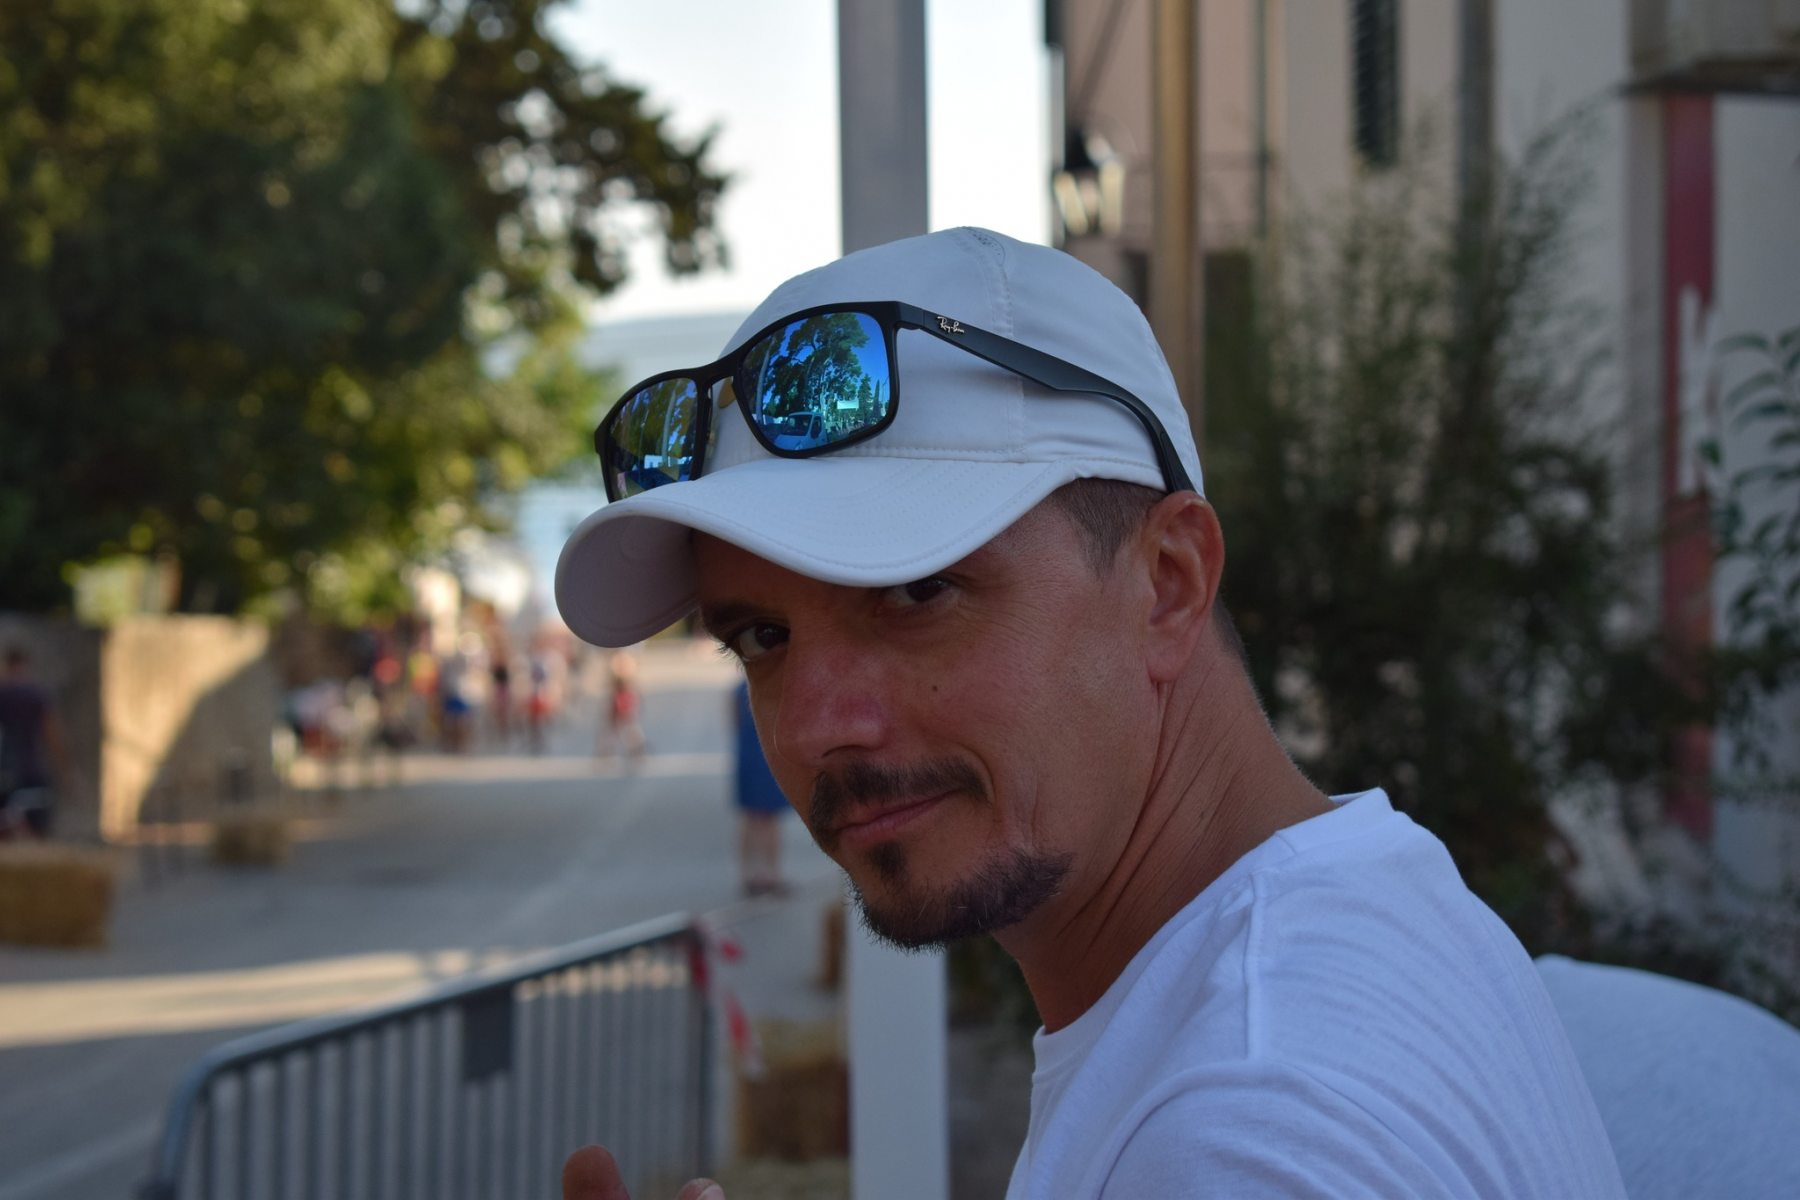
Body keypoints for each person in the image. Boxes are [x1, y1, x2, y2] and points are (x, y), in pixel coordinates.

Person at [552, 228, 1626, 1198]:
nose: (815, 728)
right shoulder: (1352, 912)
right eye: (762, 638)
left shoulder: (1240, 1130)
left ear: (1167, 584)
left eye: (917, 592)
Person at [0, 646, 68, 839]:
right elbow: (52, 734)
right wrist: (64, 770)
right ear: (25, 665)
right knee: (38, 829)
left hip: (6, 767)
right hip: (33, 768)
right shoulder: (37, 695)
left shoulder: (3, 693)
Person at [730, 676, 789, 896]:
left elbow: (734, 722)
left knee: (753, 817)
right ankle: (770, 873)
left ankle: (750, 873)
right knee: (767, 819)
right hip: (764, 756)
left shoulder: (738, 689)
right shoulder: (770, 686)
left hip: (749, 755)